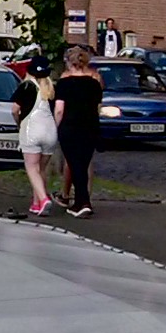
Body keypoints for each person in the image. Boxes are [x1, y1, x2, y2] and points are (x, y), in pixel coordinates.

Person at [52, 46, 104, 218]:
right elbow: (97, 108)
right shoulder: (94, 84)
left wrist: (56, 127)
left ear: (69, 63)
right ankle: (81, 201)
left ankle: (83, 203)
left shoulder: (64, 83)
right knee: (83, 164)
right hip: (90, 127)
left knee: (74, 165)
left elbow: (59, 110)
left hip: (70, 127)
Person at [17, 58, 61, 217]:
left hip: (32, 129)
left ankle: (43, 199)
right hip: (50, 131)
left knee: (31, 167)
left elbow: (15, 109)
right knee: (42, 169)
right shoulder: (51, 89)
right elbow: (58, 111)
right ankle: (36, 203)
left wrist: (18, 122)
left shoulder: (26, 86)